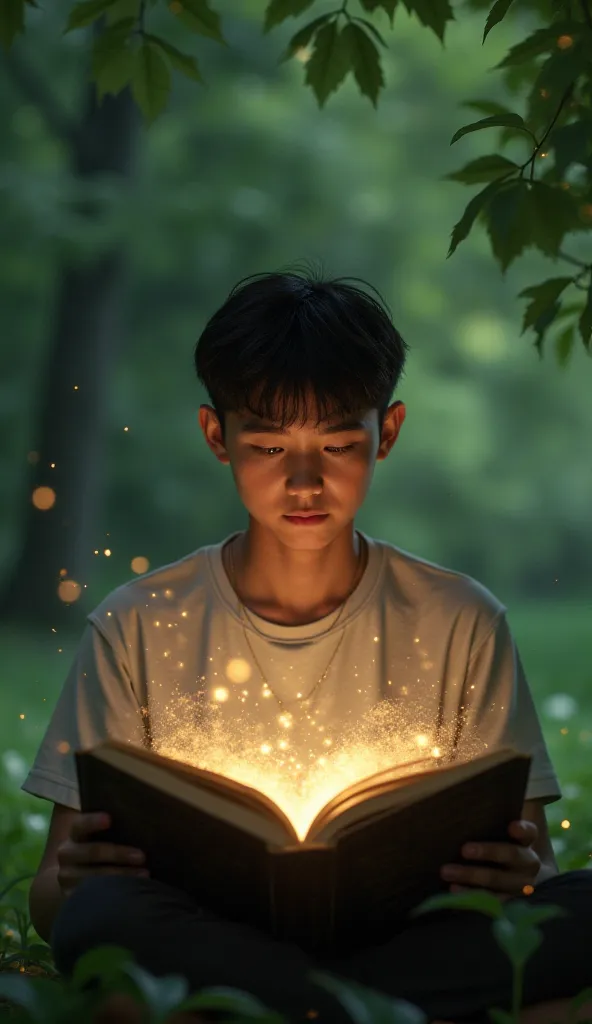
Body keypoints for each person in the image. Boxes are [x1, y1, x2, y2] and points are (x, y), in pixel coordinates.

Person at [22, 266, 592, 1024]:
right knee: (104, 920)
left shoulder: (462, 619)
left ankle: (289, 1004)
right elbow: (55, 903)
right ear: (215, 436)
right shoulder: (138, 623)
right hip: (211, 931)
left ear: (385, 433)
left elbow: (534, 877)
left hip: (409, 935)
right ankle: (367, 1009)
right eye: (265, 446)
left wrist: (518, 874)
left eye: (334, 444)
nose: (302, 481)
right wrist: (77, 880)